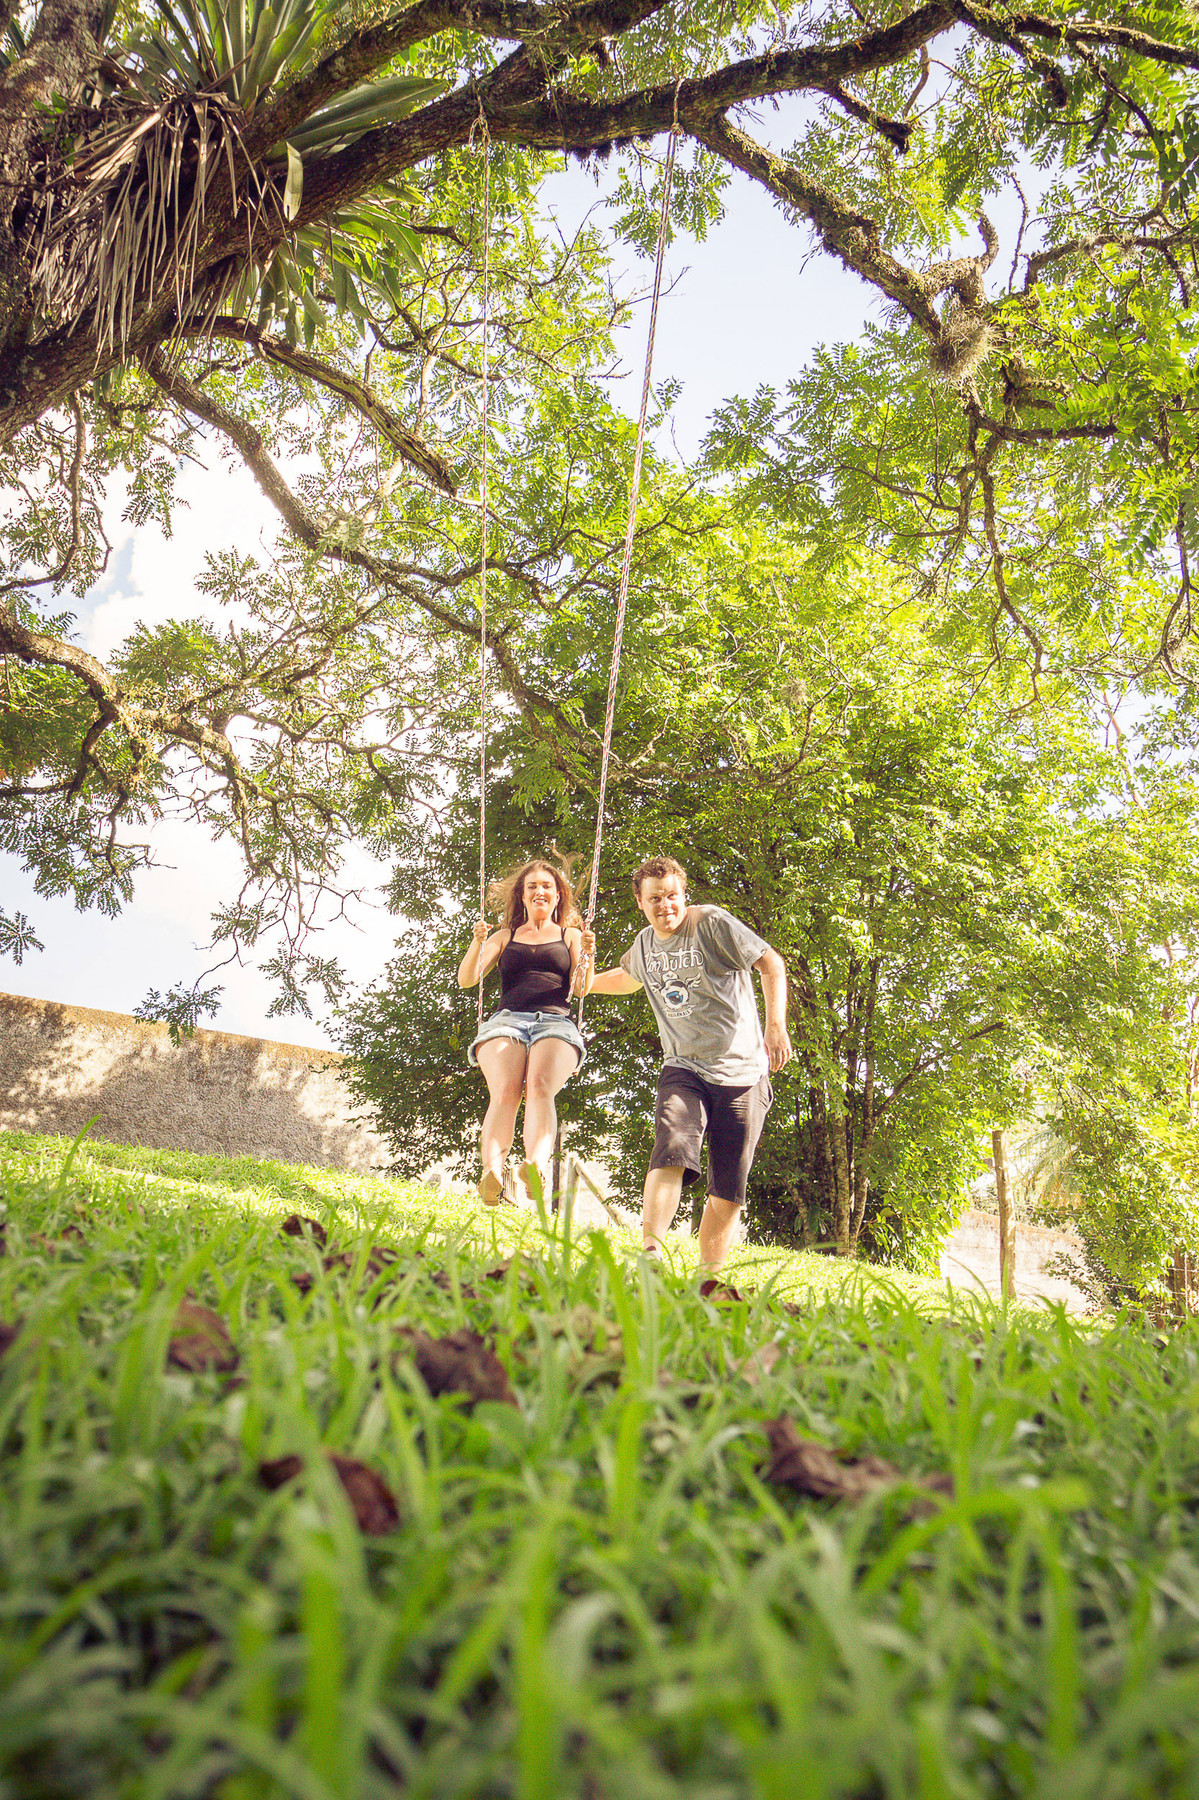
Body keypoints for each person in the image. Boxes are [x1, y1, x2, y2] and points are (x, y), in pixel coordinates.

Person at [587, 855, 792, 1269]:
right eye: (656, 898)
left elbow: (771, 962)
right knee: (673, 1144)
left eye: (673, 896)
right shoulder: (644, 945)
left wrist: (776, 1026)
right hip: (684, 1067)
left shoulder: (711, 923)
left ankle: (708, 1276)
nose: (666, 905)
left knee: (728, 1185)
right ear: (641, 903)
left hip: (744, 1073)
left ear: (684, 895)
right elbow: (627, 979)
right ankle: (650, 1252)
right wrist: (584, 984)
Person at [458, 858, 596, 1208]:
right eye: (532, 886)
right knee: (505, 1090)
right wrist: (478, 942)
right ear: (521, 895)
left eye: (546, 886)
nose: (539, 891)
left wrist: (589, 957)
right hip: (507, 1021)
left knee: (538, 1086)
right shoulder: (506, 936)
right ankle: (492, 1173)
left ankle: (536, 1166)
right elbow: (467, 979)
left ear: (557, 895)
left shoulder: (571, 936)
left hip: (555, 1023)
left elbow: (581, 989)